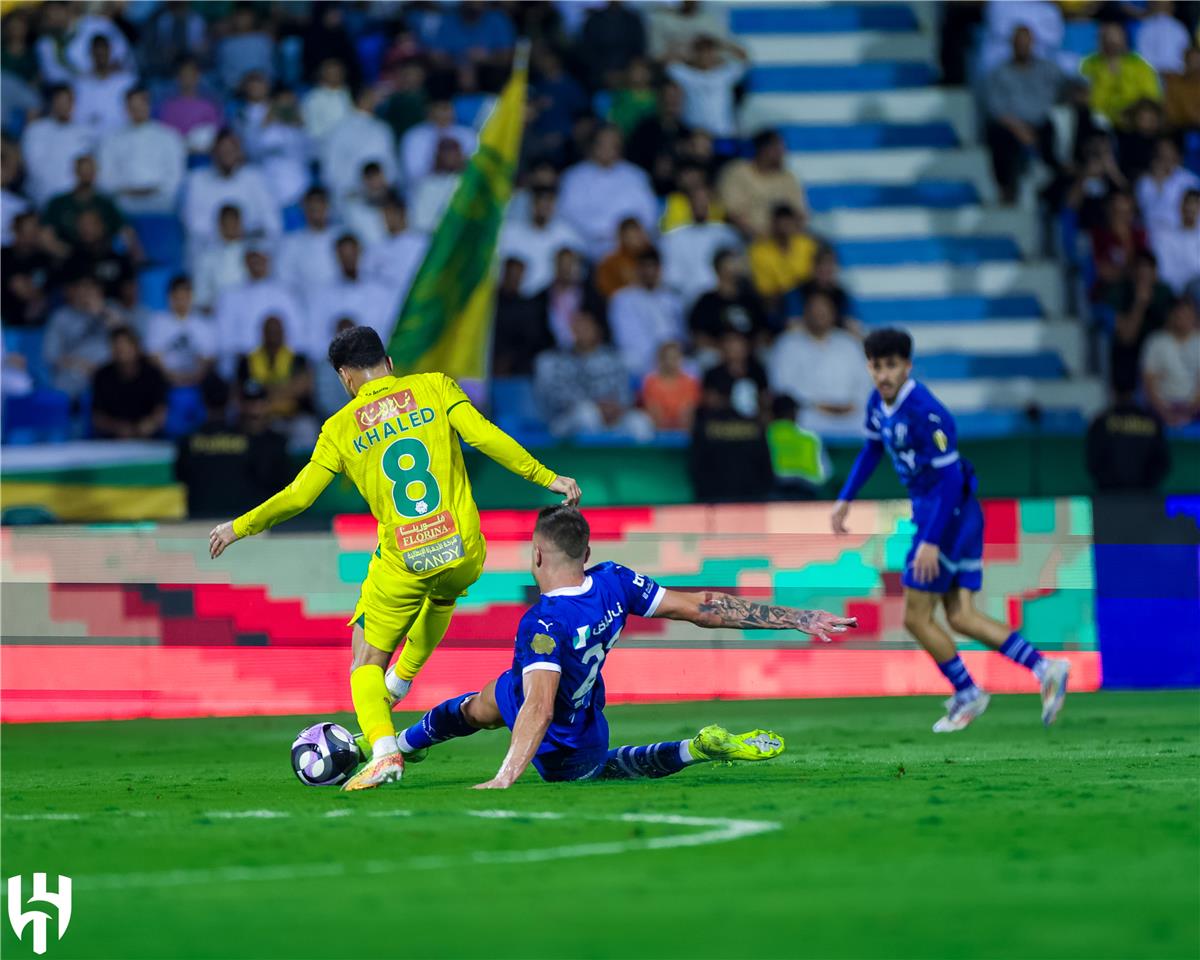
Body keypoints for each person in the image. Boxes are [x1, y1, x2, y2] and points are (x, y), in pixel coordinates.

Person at [209, 326, 582, 791]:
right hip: (463, 547)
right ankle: (401, 685)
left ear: (346, 377)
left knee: (364, 661)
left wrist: (237, 527)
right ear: (387, 362)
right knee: (443, 596)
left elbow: (299, 497)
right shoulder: (434, 386)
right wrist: (546, 477)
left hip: (405, 557)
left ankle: (384, 751)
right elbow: (485, 437)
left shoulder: (340, 428)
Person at [389, 505, 855, 788]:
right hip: (587, 714)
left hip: (561, 742)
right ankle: (397, 746)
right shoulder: (614, 581)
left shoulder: (543, 622)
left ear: (536, 554)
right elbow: (703, 607)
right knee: (486, 702)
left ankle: (691, 750)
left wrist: (505, 775)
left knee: (574, 758)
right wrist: (799, 617)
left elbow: (540, 707)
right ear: (586, 554)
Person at [830, 328, 1071, 733]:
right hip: (949, 515)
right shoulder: (877, 403)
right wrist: (845, 498)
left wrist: (929, 540)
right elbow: (872, 450)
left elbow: (948, 481)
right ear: (869, 367)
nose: (884, 374)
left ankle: (968, 693)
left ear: (907, 366)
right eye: (877, 366)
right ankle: (1045, 667)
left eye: (892, 365)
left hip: (948, 515)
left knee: (915, 616)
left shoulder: (926, 411)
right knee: (960, 615)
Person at [534, 309, 654, 442]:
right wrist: (597, 406)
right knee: (587, 413)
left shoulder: (612, 359)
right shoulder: (556, 361)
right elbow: (556, 397)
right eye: (577, 328)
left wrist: (617, 407)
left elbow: (625, 392)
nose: (582, 332)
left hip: (612, 415)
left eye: (586, 328)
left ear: (596, 330)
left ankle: (634, 463)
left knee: (640, 422)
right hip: (568, 420)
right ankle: (590, 462)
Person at [768, 291, 870, 437]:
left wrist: (851, 404)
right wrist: (817, 404)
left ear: (833, 314)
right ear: (805, 313)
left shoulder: (849, 343)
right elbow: (782, 385)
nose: (819, 315)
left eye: (824, 311)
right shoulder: (787, 344)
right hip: (809, 412)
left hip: (850, 412)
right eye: (815, 311)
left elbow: (865, 380)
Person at [984, 25, 1066, 205]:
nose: (1022, 46)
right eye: (1018, 42)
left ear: (1032, 43)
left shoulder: (1048, 69)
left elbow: (1068, 87)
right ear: (1011, 44)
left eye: (1026, 42)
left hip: (1042, 124)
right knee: (998, 136)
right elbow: (995, 109)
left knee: (1053, 128)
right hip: (1011, 126)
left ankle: (1055, 184)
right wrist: (1019, 129)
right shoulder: (999, 73)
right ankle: (1007, 189)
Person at [558, 125, 659, 258]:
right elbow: (568, 214)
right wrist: (603, 232)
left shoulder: (636, 176)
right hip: (585, 247)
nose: (607, 148)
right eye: (603, 143)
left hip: (628, 247)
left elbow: (649, 214)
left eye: (613, 144)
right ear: (593, 145)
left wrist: (626, 235)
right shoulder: (574, 177)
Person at [97, 86, 186, 214]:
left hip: (159, 203)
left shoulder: (169, 136)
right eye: (132, 107)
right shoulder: (111, 140)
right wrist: (127, 191)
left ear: (149, 105)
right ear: (126, 108)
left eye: (141, 105)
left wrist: (153, 191)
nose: (137, 111)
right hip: (124, 203)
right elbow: (105, 176)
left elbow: (175, 176)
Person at [182, 130, 281, 244]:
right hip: (211, 250)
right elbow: (193, 225)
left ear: (239, 152)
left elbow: (272, 223)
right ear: (214, 153)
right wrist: (226, 234)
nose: (227, 156)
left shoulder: (256, 178)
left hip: (250, 247)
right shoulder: (196, 180)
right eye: (223, 151)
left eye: (231, 151)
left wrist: (244, 234)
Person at [607, 248, 686, 379]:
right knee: (628, 361)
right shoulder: (622, 299)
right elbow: (626, 338)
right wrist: (658, 359)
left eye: (653, 267)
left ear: (660, 270)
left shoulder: (672, 299)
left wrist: (670, 356)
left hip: (672, 359)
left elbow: (680, 336)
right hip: (641, 362)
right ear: (637, 270)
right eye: (645, 267)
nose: (649, 272)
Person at [718, 130, 807, 238]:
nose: (783, 153)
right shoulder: (737, 172)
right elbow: (733, 213)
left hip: (785, 242)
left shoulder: (788, 178)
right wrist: (761, 239)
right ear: (763, 149)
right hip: (746, 239)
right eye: (778, 149)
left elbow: (800, 215)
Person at [498, 186, 586, 297]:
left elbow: (579, 270)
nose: (545, 208)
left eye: (549, 203)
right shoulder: (510, 232)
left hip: (548, 302)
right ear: (532, 204)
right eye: (542, 202)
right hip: (510, 297)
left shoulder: (566, 235)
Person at [19, 85, 93, 206]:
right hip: (41, 195)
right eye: (59, 101)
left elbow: (86, 167)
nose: (63, 106)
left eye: (67, 101)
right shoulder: (35, 130)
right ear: (53, 103)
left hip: (74, 197)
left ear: (73, 103)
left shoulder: (85, 132)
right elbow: (34, 167)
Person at [90, 326, 169, 439]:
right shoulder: (102, 375)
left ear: (136, 347)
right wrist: (117, 428)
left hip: (149, 438)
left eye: (124, 346)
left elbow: (161, 410)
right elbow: (97, 417)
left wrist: (149, 424)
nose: (120, 350)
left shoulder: (153, 373)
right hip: (112, 439)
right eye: (116, 346)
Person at [664, 34, 749, 140]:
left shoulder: (725, 74)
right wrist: (687, 45)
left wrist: (722, 44)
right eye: (701, 52)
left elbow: (744, 58)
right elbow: (667, 61)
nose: (705, 56)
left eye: (709, 51)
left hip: (722, 134)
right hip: (694, 135)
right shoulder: (687, 75)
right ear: (694, 54)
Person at [1079, 23, 1162, 129]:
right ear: (1100, 40)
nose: (1111, 41)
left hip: (1133, 120)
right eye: (1106, 37)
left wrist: (1130, 112)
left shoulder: (1139, 64)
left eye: (1115, 36)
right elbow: (1084, 95)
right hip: (1097, 119)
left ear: (1125, 39)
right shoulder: (1088, 63)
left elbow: (1150, 96)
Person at [1085, 389, 1171, 492]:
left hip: (1111, 498)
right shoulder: (1152, 421)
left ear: (1112, 388)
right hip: (1142, 498)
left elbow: (1093, 461)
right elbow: (1162, 462)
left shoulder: (1100, 422)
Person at [236, 314, 313, 427]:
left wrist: (265, 394)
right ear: (262, 333)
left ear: (283, 333)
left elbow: (303, 388)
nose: (273, 335)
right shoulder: (247, 361)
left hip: (291, 417)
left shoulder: (298, 359)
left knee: (306, 428)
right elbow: (239, 392)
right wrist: (286, 390)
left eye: (276, 331)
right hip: (255, 418)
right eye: (269, 331)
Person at [688, 248, 770, 352]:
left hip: (748, 353)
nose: (736, 267)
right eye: (731, 263)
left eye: (736, 263)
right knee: (706, 357)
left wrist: (745, 350)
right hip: (718, 355)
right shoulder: (706, 302)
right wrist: (725, 350)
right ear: (718, 268)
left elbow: (763, 331)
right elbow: (698, 335)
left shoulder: (750, 299)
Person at [145, 274, 217, 388]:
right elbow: (153, 357)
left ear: (191, 296)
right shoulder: (158, 321)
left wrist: (194, 377)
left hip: (197, 382)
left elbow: (208, 358)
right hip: (165, 381)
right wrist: (172, 377)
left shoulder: (203, 324)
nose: (181, 301)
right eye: (177, 297)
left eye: (185, 296)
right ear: (169, 297)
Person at [1141, 297, 1200, 427]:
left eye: (1187, 314)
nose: (1183, 319)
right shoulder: (1155, 342)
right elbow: (1148, 383)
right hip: (1161, 407)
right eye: (1179, 314)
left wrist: (1190, 411)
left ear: (1195, 317)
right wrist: (1164, 411)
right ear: (1171, 316)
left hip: (1194, 408)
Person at [362, 192, 429, 306]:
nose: (386, 219)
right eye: (383, 215)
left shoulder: (422, 242)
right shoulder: (375, 250)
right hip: (390, 305)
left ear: (402, 213)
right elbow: (368, 280)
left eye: (389, 214)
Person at [492, 257, 554, 377]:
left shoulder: (529, 307)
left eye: (518, 274)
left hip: (519, 371)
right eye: (511, 274)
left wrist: (509, 360)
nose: (514, 278)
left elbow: (533, 340)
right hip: (487, 364)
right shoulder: (489, 304)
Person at [748, 203, 818, 309]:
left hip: (807, 298)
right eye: (781, 223)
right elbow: (765, 289)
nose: (784, 228)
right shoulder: (759, 251)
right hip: (778, 303)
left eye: (788, 223)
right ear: (773, 225)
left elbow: (814, 277)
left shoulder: (808, 246)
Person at [70, 34, 137, 142]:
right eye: (96, 53)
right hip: (86, 139)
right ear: (90, 54)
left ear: (110, 52)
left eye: (103, 52)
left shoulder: (126, 81)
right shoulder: (79, 84)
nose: (100, 56)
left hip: (119, 139)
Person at [276, 186, 339, 294]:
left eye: (319, 207)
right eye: (311, 209)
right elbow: (285, 280)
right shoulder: (291, 243)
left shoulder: (341, 236)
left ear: (327, 207)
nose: (316, 213)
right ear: (304, 209)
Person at [399, 99, 476, 188]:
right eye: (440, 108)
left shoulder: (467, 134)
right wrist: (439, 168)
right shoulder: (414, 136)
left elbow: (474, 168)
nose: (444, 113)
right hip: (426, 190)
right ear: (429, 111)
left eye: (446, 108)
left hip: (462, 188)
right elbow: (413, 175)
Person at [1135, 138, 1200, 237]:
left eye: (1168, 151)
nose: (1165, 156)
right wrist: (1158, 183)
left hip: (1184, 236)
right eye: (1161, 152)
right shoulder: (1145, 182)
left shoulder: (1190, 180)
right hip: (1153, 235)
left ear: (1176, 153)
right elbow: (1144, 211)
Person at [193, 205, 248, 312]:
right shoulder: (207, 257)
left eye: (234, 222)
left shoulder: (253, 253)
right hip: (218, 314)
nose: (230, 227)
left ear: (240, 224)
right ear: (219, 225)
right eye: (226, 223)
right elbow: (201, 296)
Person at [641, 340, 700, 431]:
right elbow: (654, 410)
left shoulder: (690, 382)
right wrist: (662, 424)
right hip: (657, 426)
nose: (672, 362)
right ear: (661, 360)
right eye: (668, 357)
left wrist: (680, 424)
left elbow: (688, 410)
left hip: (684, 427)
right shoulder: (651, 382)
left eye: (675, 357)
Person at [1152, 189, 1200, 296]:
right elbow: (1164, 273)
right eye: (1188, 204)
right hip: (1179, 292)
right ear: (1181, 207)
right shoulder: (1166, 237)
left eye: (1195, 205)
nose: (1191, 209)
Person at [594, 217, 652, 298]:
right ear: (622, 237)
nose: (636, 240)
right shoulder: (610, 263)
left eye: (638, 234)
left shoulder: (655, 258)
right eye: (631, 236)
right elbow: (606, 292)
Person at [1134, 1, 1190, 75]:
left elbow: (1185, 54)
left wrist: (1176, 70)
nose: (1162, 9)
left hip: (1176, 75)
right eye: (1159, 5)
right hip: (1152, 74)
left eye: (1165, 6)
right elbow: (1142, 55)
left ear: (1171, 6)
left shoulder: (1179, 28)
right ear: (1153, 5)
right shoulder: (1145, 27)